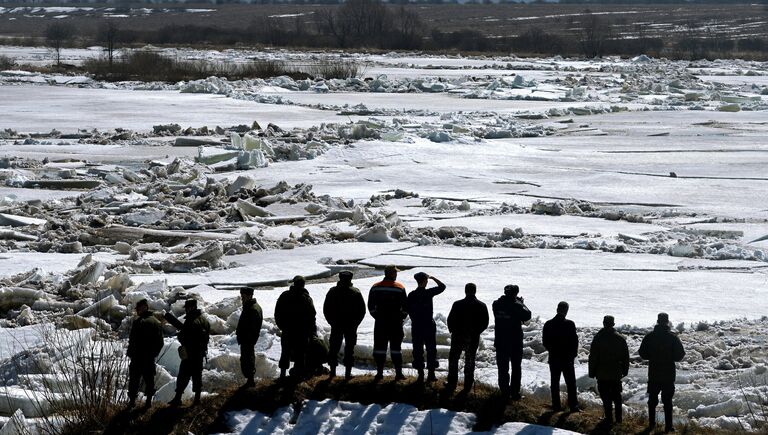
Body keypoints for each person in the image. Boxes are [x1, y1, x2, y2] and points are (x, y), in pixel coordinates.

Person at [639, 312, 685, 433]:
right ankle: (668, 427)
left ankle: (651, 424)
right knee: (668, 401)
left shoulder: (650, 337)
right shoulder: (672, 337)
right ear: (667, 322)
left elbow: (642, 353)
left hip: (654, 373)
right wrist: (670, 357)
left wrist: (652, 356)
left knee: (652, 400)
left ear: (658, 321)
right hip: (668, 375)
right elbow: (680, 355)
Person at [165, 299, 210, 407]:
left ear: (192, 308)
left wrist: (181, 335)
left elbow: (185, 337)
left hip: (190, 353)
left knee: (183, 375)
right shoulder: (203, 320)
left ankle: (177, 398)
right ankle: (197, 399)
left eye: (188, 308)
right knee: (197, 376)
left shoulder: (191, 320)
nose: (186, 310)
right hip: (199, 353)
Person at [323, 270, 366, 379]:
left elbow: (326, 309)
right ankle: (347, 374)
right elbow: (362, 311)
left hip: (336, 325)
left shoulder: (333, 291)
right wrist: (355, 324)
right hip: (350, 326)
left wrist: (331, 322)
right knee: (349, 349)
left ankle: (332, 372)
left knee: (334, 348)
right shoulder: (355, 292)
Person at [368, 265, 408, 381]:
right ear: (391, 274)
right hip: (395, 324)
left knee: (380, 348)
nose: (396, 274)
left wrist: (377, 316)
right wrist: (401, 317)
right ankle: (399, 374)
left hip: (381, 323)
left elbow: (370, 306)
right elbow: (405, 307)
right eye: (395, 273)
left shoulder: (375, 287)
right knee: (396, 348)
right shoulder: (400, 287)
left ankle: (379, 373)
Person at [446, 283, 488, 391]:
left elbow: (450, 320)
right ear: (475, 291)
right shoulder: (481, 305)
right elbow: (485, 323)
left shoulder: (457, 304)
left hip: (457, 337)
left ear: (465, 291)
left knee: (453, 360)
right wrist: (477, 332)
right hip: (472, 338)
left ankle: (451, 383)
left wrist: (453, 331)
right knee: (469, 361)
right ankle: (467, 386)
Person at [589, 315, 630, 425]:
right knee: (617, 396)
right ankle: (618, 419)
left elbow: (593, 356)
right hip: (616, 372)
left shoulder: (598, 338)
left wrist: (592, 372)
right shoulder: (620, 338)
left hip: (602, 372)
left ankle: (608, 418)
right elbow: (626, 357)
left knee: (605, 396)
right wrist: (625, 370)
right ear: (613, 324)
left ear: (603, 323)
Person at [493, 284, 531, 400]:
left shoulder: (496, 304)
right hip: (514, 341)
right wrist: (521, 303)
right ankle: (514, 392)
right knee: (516, 367)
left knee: (502, 367)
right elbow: (527, 315)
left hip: (500, 340)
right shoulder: (516, 305)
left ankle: (504, 391)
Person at [275, 275, 316, 379]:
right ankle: (296, 378)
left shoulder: (285, 296)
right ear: (303, 284)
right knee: (300, 355)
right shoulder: (307, 298)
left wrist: (282, 327)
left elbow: (277, 313)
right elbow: (312, 317)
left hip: (287, 330)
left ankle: (283, 375)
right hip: (302, 333)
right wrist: (311, 332)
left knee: (285, 353)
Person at [407, 272, 446, 382]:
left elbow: (408, 309)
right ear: (425, 281)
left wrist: (414, 319)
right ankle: (431, 375)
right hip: (428, 325)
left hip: (417, 325)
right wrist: (434, 277)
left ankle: (420, 374)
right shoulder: (428, 293)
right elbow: (442, 287)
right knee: (431, 349)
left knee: (418, 350)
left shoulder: (411, 295)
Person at [126, 299, 164, 410]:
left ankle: (132, 402)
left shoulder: (138, 322)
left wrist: (131, 353)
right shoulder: (156, 322)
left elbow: (132, 341)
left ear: (144, 308)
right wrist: (153, 354)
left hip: (137, 357)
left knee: (134, 380)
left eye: (138, 309)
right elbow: (160, 342)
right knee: (149, 380)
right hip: (149, 357)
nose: (137, 311)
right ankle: (148, 402)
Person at [542, 301, 579, 412]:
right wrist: (572, 355)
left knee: (555, 383)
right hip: (567, 359)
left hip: (554, 358)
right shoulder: (570, 324)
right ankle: (573, 406)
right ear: (566, 311)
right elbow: (574, 342)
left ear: (557, 309)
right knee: (571, 383)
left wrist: (552, 350)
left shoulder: (548, 324)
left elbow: (545, 342)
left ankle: (556, 406)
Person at [236, 287, 263, 388]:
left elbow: (252, 327)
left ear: (249, 295)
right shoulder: (250, 306)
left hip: (248, 339)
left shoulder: (253, 309)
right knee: (247, 358)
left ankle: (250, 381)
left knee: (248, 359)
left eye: (243, 296)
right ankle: (249, 380)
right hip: (247, 339)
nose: (242, 298)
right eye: (241, 296)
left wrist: (246, 338)